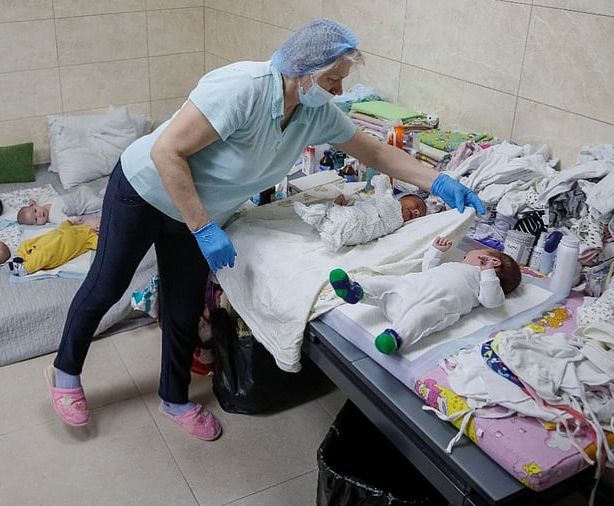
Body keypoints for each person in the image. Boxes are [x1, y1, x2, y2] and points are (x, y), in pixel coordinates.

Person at [44, 18, 485, 439]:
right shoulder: (242, 88)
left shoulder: (315, 112)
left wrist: (440, 181)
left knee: (181, 308)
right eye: (333, 80)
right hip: (146, 189)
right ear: (305, 70)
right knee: (106, 285)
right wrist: (203, 228)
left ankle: (174, 399)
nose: (340, 90)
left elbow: (376, 153)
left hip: (198, 213)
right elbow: (166, 152)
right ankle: (65, 372)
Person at [330, 236, 521, 355]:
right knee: (389, 282)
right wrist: (435, 252)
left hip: (435, 303)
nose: (464, 257)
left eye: (469, 254)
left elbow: (492, 302)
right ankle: (356, 290)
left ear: (493, 261)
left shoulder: (485, 281)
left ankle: (396, 337)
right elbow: (429, 269)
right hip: (411, 286)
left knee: (423, 316)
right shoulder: (457, 266)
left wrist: (488, 273)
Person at [293, 174, 428, 251]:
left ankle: (327, 227)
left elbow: (384, 201)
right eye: (416, 205)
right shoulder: (377, 202)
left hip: (359, 225)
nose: (416, 211)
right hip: (354, 215)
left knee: (345, 219)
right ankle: (315, 216)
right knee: (332, 213)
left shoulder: (396, 218)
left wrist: (382, 182)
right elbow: (360, 203)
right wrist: (342, 203)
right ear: (402, 198)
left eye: (419, 214)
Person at [7, 221, 99, 276]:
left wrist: (104, 235)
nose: (98, 223)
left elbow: (103, 243)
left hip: (53, 253)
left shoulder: (90, 237)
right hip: (38, 244)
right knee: (25, 244)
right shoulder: (78, 227)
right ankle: (19, 258)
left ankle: (25, 268)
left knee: (43, 254)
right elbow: (63, 226)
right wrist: (71, 222)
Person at [16, 184, 103, 229]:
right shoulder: (53, 217)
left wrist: (32, 201)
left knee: (94, 193)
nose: (38, 215)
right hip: (83, 204)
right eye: (36, 219)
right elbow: (66, 221)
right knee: (101, 203)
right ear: (36, 225)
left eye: (35, 211)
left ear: (35, 205)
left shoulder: (42, 203)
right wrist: (75, 221)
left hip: (79, 194)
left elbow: (35, 198)